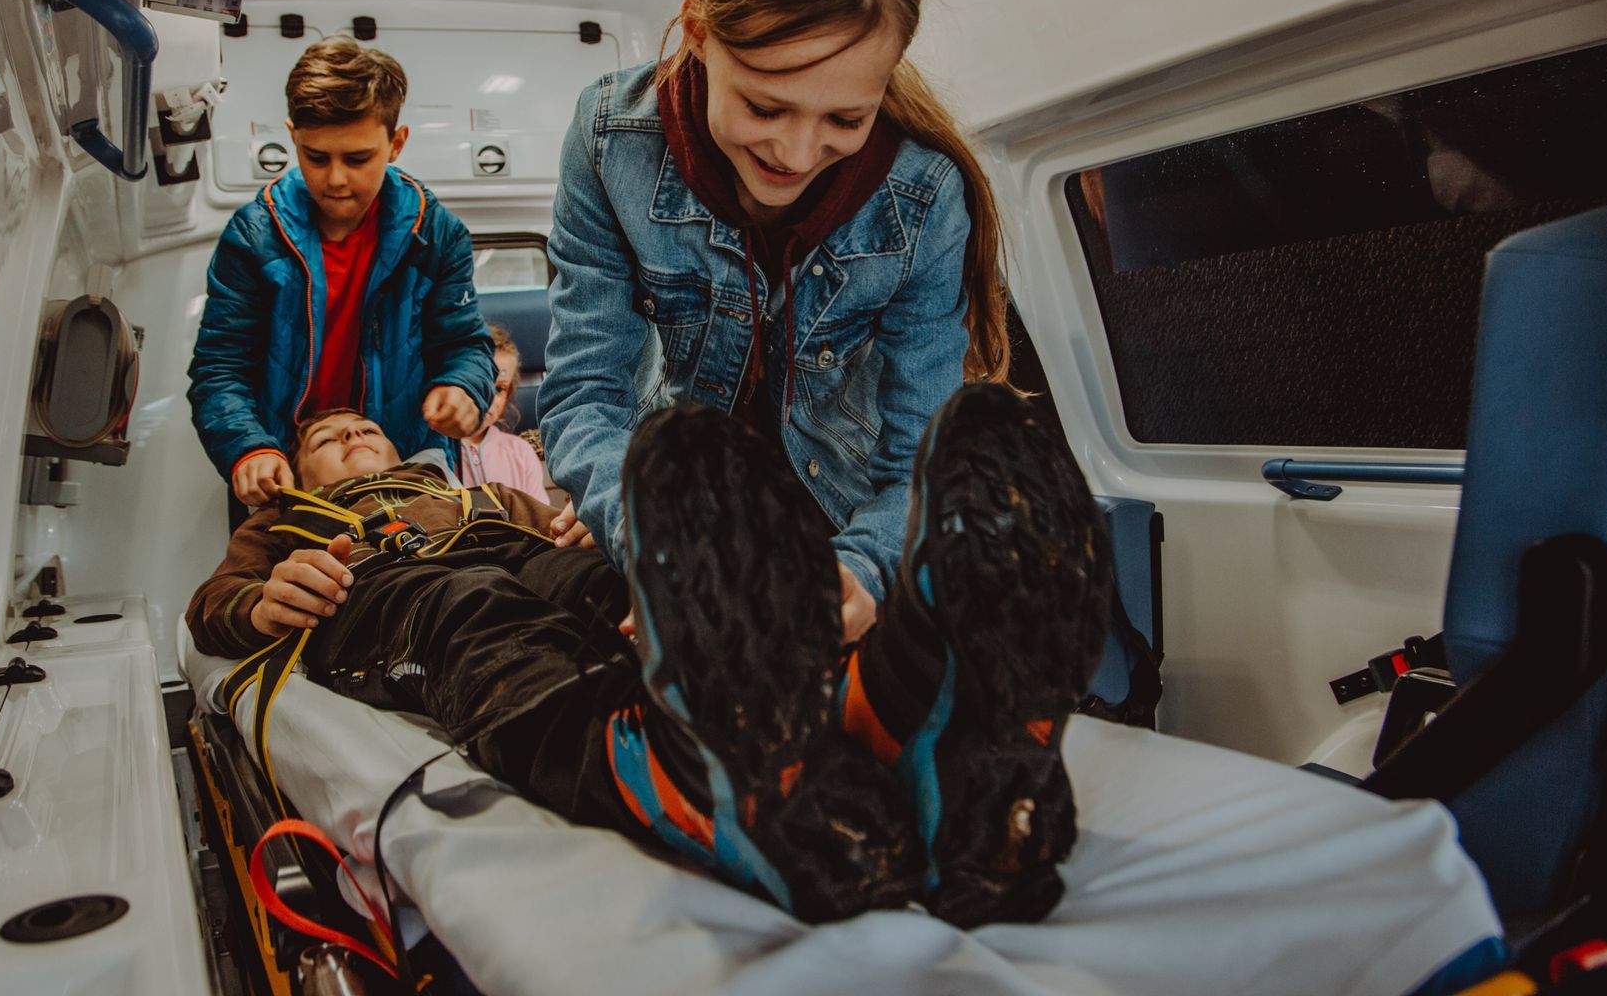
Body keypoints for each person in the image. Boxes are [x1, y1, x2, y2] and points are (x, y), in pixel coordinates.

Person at [186, 386, 1111, 927]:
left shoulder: (477, 495)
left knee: (602, 590)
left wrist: (590, 538)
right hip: (385, 594)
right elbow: (210, 611)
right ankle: (670, 773)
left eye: (365, 429)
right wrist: (261, 602)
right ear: (299, 469)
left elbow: (559, 532)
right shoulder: (282, 526)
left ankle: (881, 717)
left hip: (520, 555)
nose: (353, 439)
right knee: (477, 614)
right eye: (329, 439)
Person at [537, 0, 1012, 649]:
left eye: (845, 120)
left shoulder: (926, 198)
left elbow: (923, 459)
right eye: (764, 106)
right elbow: (586, 395)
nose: (795, 153)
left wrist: (861, 573)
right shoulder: (608, 140)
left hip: (849, 522)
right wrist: (647, 530)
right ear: (697, 32)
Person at [187, 37, 493, 519]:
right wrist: (248, 448)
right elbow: (220, 370)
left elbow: (465, 346)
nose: (335, 179)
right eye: (316, 157)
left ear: (396, 143)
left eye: (357, 159)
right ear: (293, 137)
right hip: (286, 480)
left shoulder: (436, 234)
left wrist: (462, 387)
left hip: (407, 473)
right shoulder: (252, 238)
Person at [456, 324, 550, 503]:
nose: (487, 398)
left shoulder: (521, 453)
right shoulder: (439, 454)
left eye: (499, 389)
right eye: (477, 385)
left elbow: (539, 514)